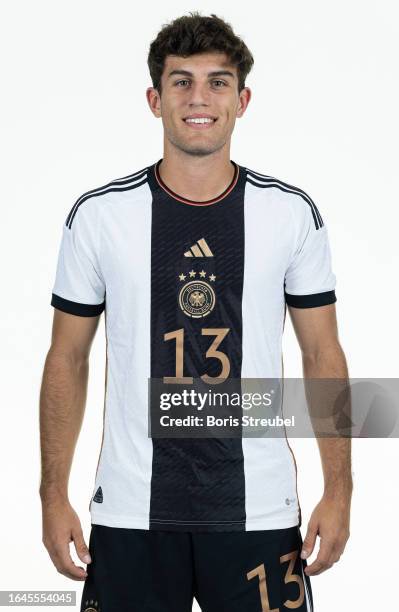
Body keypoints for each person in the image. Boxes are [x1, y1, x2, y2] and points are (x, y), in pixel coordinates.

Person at [39, 12, 352, 612]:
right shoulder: (100, 216)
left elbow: (323, 353)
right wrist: (53, 492)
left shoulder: (290, 214)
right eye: (181, 82)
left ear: (243, 99)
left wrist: (339, 489)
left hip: (257, 509)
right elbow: (67, 357)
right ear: (155, 100)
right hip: (132, 510)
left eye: (217, 81)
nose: (199, 98)